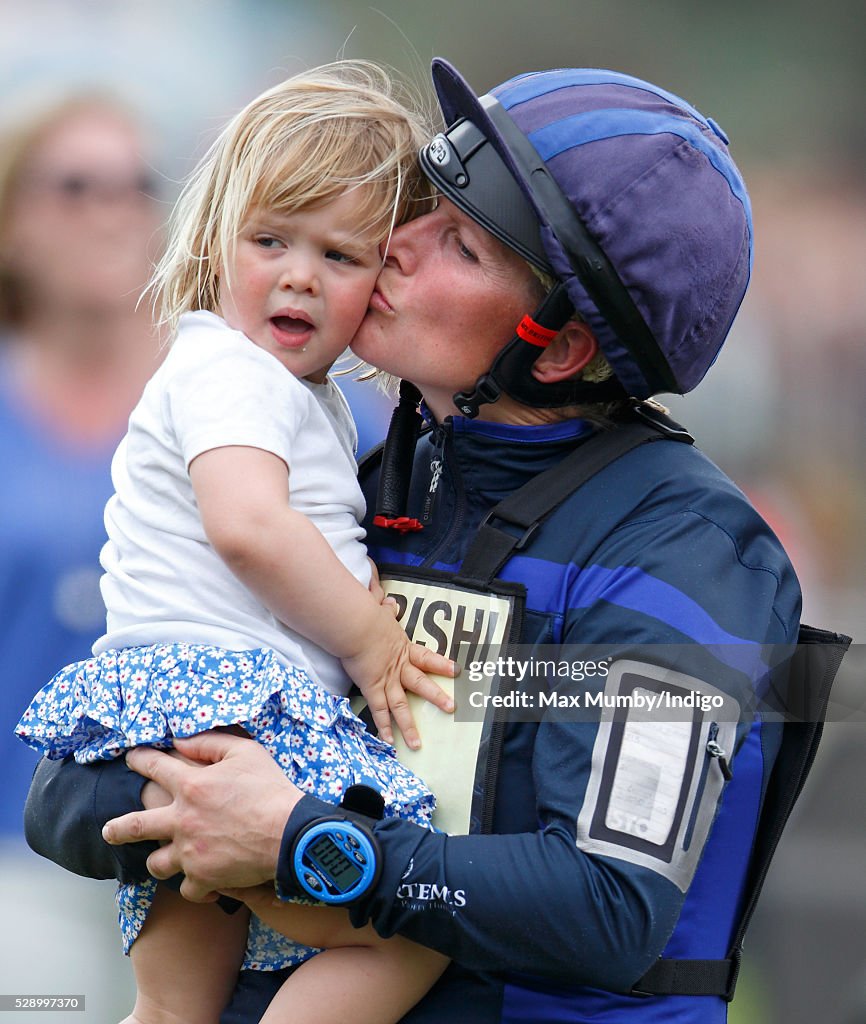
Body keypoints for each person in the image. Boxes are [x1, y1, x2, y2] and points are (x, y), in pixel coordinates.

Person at [24, 59, 811, 1024]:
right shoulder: (367, 483)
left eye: (462, 246)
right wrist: (187, 797)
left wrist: (305, 843)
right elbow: (63, 805)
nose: (395, 243)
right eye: (424, 205)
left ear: (558, 347)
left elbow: (611, 909)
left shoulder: (681, 547)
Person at [16, 62, 457, 1024]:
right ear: (216, 241)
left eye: (341, 257)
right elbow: (251, 528)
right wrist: (370, 639)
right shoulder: (234, 368)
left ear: (382, 282)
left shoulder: (294, 393)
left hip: (191, 710)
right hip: (232, 712)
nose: (299, 273)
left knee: (177, 1004)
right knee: (416, 921)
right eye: (270, 240)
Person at [0, 90, 164, 1016]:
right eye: (75, 187)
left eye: (133, 187)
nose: (111, 212)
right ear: (14, 222)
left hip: (213, 865)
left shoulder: (231, 394)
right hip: (18, 867)